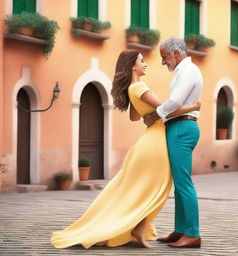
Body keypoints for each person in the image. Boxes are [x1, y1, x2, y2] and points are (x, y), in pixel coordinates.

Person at [51, 49, 200, 249]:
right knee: (154, 187)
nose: (145, 64)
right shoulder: (140, 86)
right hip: (155, 143)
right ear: (132, 66)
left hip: (150, 140)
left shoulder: (133, 88)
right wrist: (193, 107)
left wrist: (152, 114)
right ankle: (141, 227)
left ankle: (139, 228)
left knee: (146, 188)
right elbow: (168, 108)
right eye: (141, 61)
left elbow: (135, 117)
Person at [144, 37, 203, 248]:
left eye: (164, 57)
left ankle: (193, 234)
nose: (162, 62)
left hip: (182, 128)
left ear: (176, 53)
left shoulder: (189, 70)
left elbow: (176, 101)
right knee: (179, 184)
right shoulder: (183, 71)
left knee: (184, 183)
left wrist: (155, 114)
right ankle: (181, 230)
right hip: (178, 127)